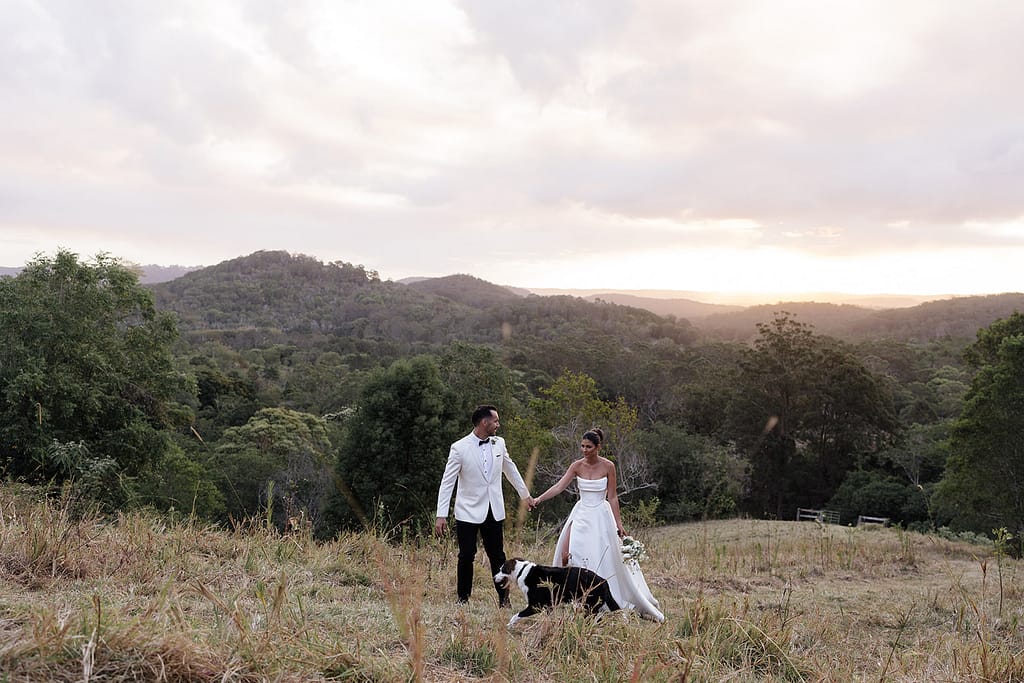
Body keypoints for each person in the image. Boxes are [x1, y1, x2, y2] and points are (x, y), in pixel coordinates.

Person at [530, 427, 664, 622]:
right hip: (582, 513)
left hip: (601, 515)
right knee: (573, 554)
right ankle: (579, 598)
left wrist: (618, 522)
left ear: (598, 447)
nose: (584, 450)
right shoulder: (576, 466)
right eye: (582, 446)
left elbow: (612, 496)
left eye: (589, 447)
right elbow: (559, 486)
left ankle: (607, 598)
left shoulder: (608, 466)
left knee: (605, 555)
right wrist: (538, 499)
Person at [435, 405, 533, 605]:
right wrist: (441, 514)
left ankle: (503, 599)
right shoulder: (459, 448)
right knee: (466, 555)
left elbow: (510, 470)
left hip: (493, 510)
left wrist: (525, 495)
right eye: (495, 421)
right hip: (467, 511)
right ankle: (463, 599)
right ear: (484, 422)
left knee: (498, 556)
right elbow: (447, 482)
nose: (498, 424)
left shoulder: (499, 443)